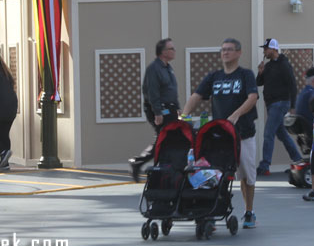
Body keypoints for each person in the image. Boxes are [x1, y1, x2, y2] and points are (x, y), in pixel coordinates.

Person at [181, 38, 259, 227]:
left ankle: (249, 211)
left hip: (243, 133)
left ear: (239, 53)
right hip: (220, 136)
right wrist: (183, 116)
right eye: (223, 50)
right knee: (215, 174)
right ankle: (212, 210)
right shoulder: (214, 76)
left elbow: (253, 97)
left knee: (247, 176)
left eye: (230, 50)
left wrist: (236, 115)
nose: (225, 53)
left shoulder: (245, 75)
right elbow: (196, 96)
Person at [129, 38, 181, 182]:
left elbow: (171, 90)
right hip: (160, 109)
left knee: (167, 138)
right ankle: (143, 163)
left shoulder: (168, 67)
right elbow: (152, 92)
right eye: (171, 49)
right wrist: (157, 112)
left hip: (170, 108)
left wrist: (177, 108)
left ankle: (156, 165)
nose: (174, 51)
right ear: (163, 52)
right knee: (163, 137)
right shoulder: (154, 69)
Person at [256, 38, 302, 176]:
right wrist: (260, 72)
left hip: (281, 102)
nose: (264, 51)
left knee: (268, 133)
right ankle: (298, 160)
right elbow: (259, 83)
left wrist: (293, 106)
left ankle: (265, 165)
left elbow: (293, 85)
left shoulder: (284, 64)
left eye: (266, 48)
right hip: (271, 104)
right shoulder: (268, 66)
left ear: (274, 49)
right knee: (281, 133)